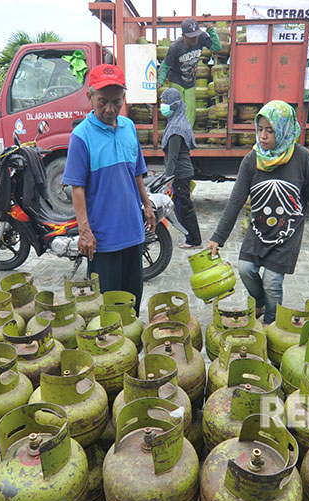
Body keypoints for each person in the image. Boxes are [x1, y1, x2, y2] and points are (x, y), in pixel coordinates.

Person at [206, 100, 309, 325]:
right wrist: (218, 238)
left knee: (272, 281)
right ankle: (260, 302)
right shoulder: (252, 160)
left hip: (288, 233)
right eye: (260, 129)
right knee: (246, 269)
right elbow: (235, 202)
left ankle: (271, 324)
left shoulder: (301, 157)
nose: (263, 136)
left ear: (284, 130)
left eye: (270, 130)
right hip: (259, 229)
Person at [62, 64, 156, 314]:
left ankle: (131, 347)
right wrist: (85, 231)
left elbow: (136, 171)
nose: (110, 109)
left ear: (124, 99)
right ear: (89, 97)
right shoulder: (81, 136)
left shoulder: (129, 128)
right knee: (107, 307)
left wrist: (147, 204)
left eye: (116, 102)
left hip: (132, 233)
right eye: (103, 101)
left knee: (133, 301)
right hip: (102, 240)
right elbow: (77, 188)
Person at [157, 17, 221, 126]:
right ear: (184, 36)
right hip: (176, 80)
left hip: (190, 81)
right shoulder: (175, 47)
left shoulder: (201, 38)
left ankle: (187, 133)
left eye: (196, 36)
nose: (195, 40)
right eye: (191, 37)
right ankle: (176, 131)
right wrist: (160, 81)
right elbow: (165, 65)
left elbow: (217, 47)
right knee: (177, 108)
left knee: (190, 111)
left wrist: (210, 28)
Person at [160, 87, 201, 249]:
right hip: (183, 172)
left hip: (180, 173)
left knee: (183, 208)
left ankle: (193, 240)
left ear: (173, 105)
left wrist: (168, 180)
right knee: (183, 206)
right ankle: (191, 238)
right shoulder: (178, 121)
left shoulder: (176, 129)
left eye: (164, 103)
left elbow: (173, 158)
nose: (162, 106)